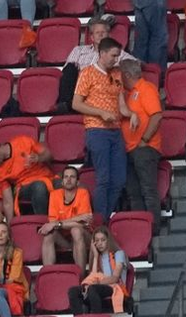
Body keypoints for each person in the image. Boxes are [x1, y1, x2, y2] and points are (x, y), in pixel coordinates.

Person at [73, 38, 129, 220]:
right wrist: (100, 113)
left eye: (117, 56)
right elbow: (76, 104)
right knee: (103, 179)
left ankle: (104, 218)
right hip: (97, 130)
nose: (116, 59)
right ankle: (100, 222)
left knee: (119, 179)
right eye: (113, 55)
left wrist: (133, 114)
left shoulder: (117, 74)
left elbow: (121, 104)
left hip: (115, 130)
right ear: (102, 53)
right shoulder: (87, 73)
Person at [120, 57, 162, 221]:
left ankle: (154, 229)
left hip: (144, 148)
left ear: (127, 75)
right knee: (133, 193)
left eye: (121, 75)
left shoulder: (146, 88)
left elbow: (157, 116)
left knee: (148, 191)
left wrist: (144, 139)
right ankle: (141, 229)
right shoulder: (127, 94)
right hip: (130, 150)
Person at [0, 134, 52, 221]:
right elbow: (7, 201)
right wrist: (10, 227)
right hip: (24, 187)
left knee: (63, 184)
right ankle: (43, 224)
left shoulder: (23, 141)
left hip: (47, 177)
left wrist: (39, 158)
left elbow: (48, 155)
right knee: (39, 186)